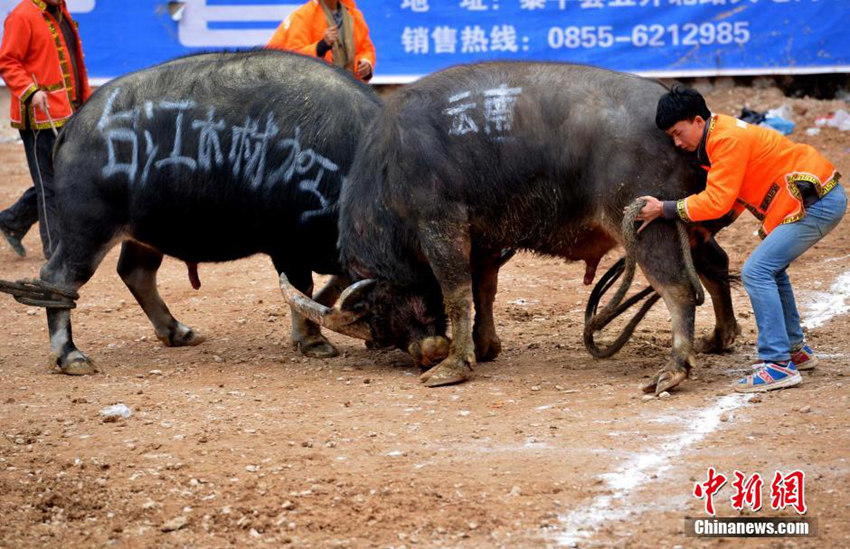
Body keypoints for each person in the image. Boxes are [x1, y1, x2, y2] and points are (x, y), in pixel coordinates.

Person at [635, 85, 846, 393]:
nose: (678, 143)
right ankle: (794, 350)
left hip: (815, 202)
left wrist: (665, 209)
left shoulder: (724, 139)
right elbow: (736, 192)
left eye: (678, 133)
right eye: (672, 137)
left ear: (697, 121)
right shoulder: (718, 134)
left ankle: (777, 364)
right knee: (772, 270)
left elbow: (718, 199)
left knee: (757, 271)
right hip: (813, 197)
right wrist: (709, 229)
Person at [0, 0, 90, 258]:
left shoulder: (59, 10)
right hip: (39, 116)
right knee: (50, 186)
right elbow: (7, 61)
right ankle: (56, 254)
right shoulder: (22, 15)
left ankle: (12, 220)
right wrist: (31, 91)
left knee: (65, 180)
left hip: (68, 110)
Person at [266, 0, 375, 82]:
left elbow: (366, 49)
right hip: (308, 89)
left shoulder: (354, 15)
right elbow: (293, 57)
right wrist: (322, 45)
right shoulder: (303, 15)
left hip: (346, 88)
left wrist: (365, 63)